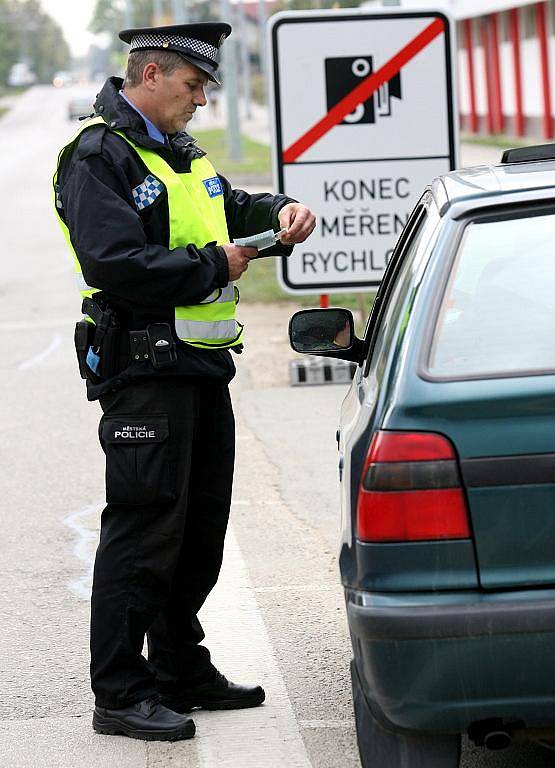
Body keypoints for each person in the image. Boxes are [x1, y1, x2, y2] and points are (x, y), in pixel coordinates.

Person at [53, 22, 315, 743]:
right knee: (142, 533)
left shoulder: (181, 154)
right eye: (194, 85)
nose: (201, 99)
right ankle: (121, 692)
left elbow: (227, 208)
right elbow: (114, 263)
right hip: (144, 371)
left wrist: (276, 215)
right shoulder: (98, 156)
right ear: (150, 77)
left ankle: (178, 668)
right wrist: (211, 266)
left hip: (199, 368)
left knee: (197, 532)